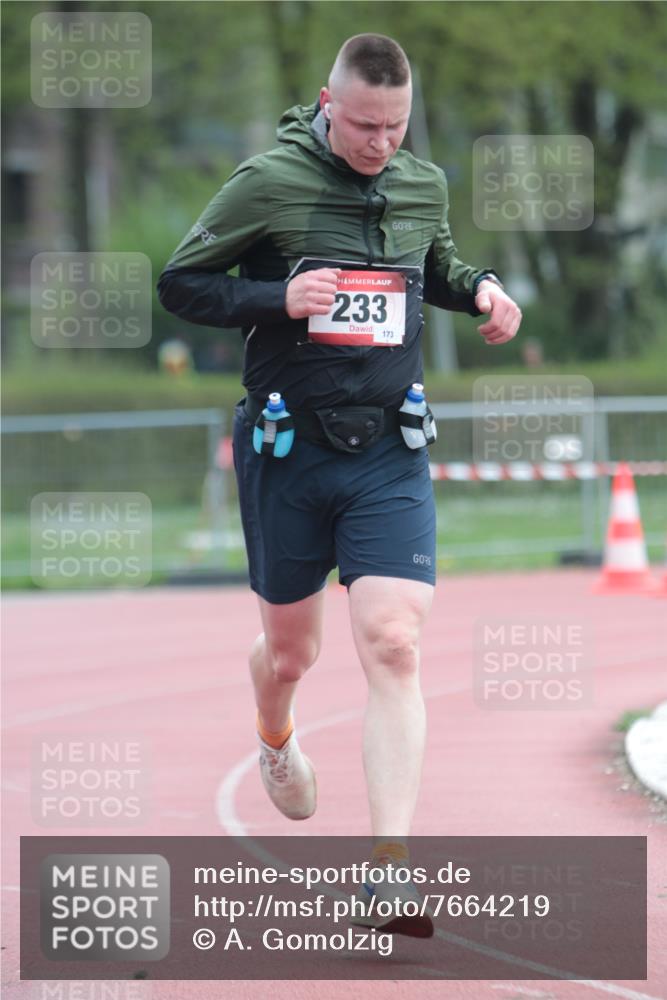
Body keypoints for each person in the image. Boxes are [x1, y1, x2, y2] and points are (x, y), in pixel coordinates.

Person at [158, 33, 521, 937]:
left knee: (394, 642)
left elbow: (431, 266)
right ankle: (274, 734)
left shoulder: (421, 183)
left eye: (395, 127)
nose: (379, 144)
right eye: (363, 126)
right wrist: (275, 299)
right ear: (328, 104)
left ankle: (388, 872)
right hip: (288, 449)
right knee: (291, 655)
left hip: (387, 446)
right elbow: (181, 284)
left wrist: (481, 288)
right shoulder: (267, 182)